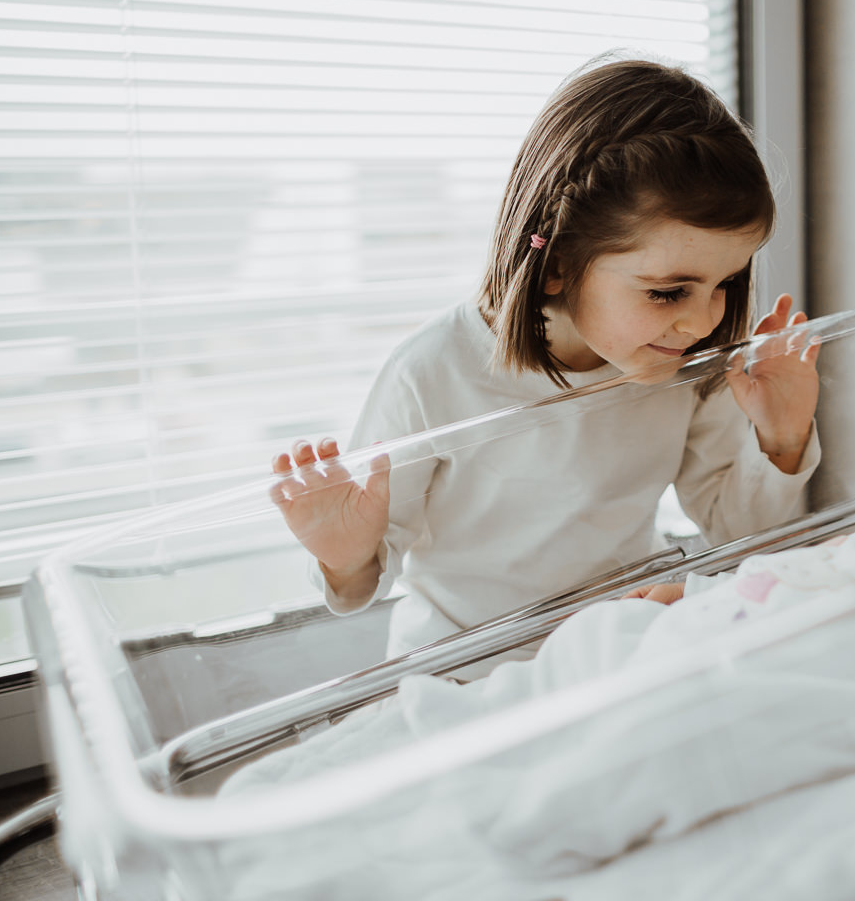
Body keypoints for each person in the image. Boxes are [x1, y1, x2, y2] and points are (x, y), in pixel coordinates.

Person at [225, 461, 855, 878]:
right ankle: (473, 728)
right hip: (710, 640)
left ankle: (521, 832)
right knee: (589, 648)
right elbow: (765, 577)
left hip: (775, 692)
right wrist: (676, 601)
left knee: (670, 745)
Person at [267, 57, 823, 662]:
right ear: (557, 264)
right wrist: (344, 555)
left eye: (726, 284)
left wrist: (782, 436)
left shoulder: (679, 361)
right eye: (667, 292)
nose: (703, 320)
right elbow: (360, 587)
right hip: (471, 668)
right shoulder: (432, 371)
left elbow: (739, 534)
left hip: (625, 644)